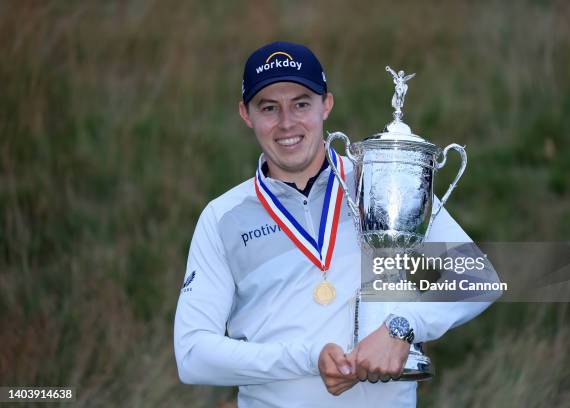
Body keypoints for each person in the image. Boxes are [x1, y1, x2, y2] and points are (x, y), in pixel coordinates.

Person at [174, 41, 496, 407]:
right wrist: (307, 357)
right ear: (246, 114)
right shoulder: (223, 217)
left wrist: (404, 327)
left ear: (326, 104)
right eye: (269, 107)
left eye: (301, 104)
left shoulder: (382, 181)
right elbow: (193, 354)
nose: (286, 123)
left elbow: (477, 278)